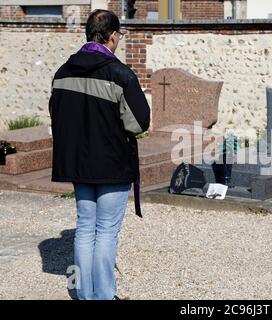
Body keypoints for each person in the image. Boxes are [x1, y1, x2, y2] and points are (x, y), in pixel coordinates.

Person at [49, 9, 150, 300]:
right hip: (112, 164)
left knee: (84, 228)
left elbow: (55, 114)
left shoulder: (62, 72)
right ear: (113, 36)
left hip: (78, 164)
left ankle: (83, 293)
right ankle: (104, 295)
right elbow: (140, 122)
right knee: (106, 231)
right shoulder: (120, 74)